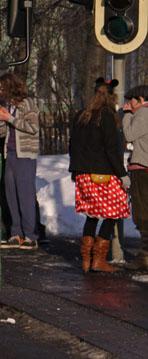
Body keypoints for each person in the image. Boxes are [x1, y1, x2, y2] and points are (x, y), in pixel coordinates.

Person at [69, 78, 130, 273]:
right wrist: (122, 175)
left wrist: (76, 171)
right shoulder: (107, 116)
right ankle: (99, 260)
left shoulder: (81, 115)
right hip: (103, 173)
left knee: (92, 214)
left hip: (83, 174)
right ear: (111, 96)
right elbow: (111, 150)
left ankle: (86, 260)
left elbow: (73, 146)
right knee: (115, 210)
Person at [0, 72, 41, 249]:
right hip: (10, 154)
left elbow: (33, 127)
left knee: (25, 195)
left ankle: (31, 235)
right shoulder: (6, 105)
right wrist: (0, 120)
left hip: (25, 156)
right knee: (11, 195)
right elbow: (1, 133)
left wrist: (10, 119)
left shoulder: (27, 103)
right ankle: (16, 233)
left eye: (2, 87)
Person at [122, 84, 148, 271]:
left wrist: (127, 115)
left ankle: (144, 256)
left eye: (131, 100)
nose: (129, 103)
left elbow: (129, 133)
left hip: (142, 168)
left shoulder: (142, 113)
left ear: (140, 100)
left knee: (142, 213)